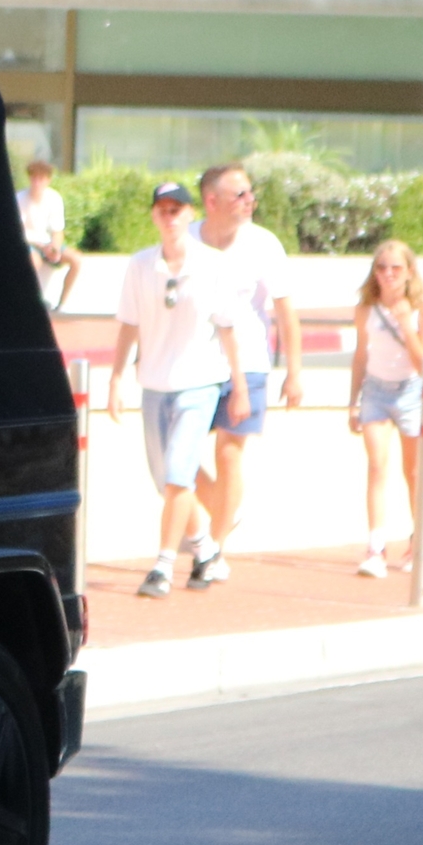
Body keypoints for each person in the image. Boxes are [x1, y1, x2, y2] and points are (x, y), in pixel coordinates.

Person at [107, 181, 250, 598]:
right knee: (167, 479)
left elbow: (227, 328)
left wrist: (239, 386)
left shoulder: (213, 265)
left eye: (177, 210)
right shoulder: (140, 265)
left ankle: (163, 565)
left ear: (190, 215)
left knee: (177, 474)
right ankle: (205, 550)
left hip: (199, 384)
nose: (169, 217)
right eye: (162, 210)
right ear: (154, 215)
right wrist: (116, 377)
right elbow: (128, 323)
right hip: (154, 385)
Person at [183, 161, 302, 589]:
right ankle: (224, 509)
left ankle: (214, 547)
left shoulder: (264, 244)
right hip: (193, 364)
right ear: (212, 201)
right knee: (176, 457)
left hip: (248, 363)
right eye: (241, 195)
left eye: (252, 193)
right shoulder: (187, 240)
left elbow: (286, 310)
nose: (250, 201)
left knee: (229, 454)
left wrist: (294, 372)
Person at [347, 239, 423, 579]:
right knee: (377, 465)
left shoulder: (421, 309)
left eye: (396, 268)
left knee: (413, 474)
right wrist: (352, 401)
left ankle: (418, 541)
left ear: (409, 272)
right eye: (382, 268)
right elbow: (360, 355)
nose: (388, 274)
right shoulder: (366, 308)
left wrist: (407, 326)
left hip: (410, 391)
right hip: (376, 391)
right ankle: (376, 547)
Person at [20, 159, 81, 312]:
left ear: (48, 180)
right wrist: (42, 246)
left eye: (41, 179)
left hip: (47, 243)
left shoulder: (54, 198)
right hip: (28, 244)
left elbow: (57, 230)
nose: (37, 182)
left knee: (76, 260)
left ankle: (61, 305)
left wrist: (55, 248)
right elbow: (18, 232)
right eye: (34, 178)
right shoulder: (19, 199)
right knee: (34, 262)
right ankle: (33, 302)